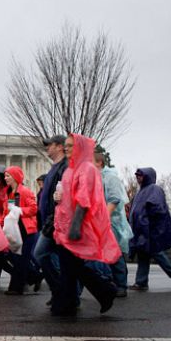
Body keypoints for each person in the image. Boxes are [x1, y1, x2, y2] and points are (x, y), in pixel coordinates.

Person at [51, 133, 119, 316]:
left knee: (71, 266)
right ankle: (97, 294)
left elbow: (84, 199)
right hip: (65, 224)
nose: (66, 148)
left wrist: (75, 225)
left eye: (70, 145)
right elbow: (70, 196)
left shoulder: (87, 168)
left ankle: (70, 302)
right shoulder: (70, 169)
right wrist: (59, 198)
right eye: (65, 145)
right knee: (71, 266)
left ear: (80, 147)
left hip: (76, 225)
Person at [128, 167, 171, 291]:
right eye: (137, 175)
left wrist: (146, 220)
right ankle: (141, 282)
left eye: (140, 175)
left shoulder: (154, 189)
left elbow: (157, 208)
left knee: (155, 252)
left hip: (150, 230)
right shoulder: (139, 192)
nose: (138, 177)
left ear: (147, 176)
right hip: (141, 230)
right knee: (143, 254)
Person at [32, 135, 68, 303]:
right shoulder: (55, 167)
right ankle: (62, 294)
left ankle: (61, 293)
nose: (47, 147)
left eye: (50, 145)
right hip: (49, 220)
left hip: (56, 220)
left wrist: (52, 219)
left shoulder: (64, 167)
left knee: (40, 254)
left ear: (60, 147)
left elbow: (60, 196)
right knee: (63, 261)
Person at [94, 152, 133, 297]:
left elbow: (115, 199)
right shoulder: (98, 178)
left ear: (99, 163)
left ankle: (121, 284)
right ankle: (112, 283)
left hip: (112, 221)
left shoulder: (110, 177)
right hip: (102, 220)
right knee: (105, 253)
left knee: (114, 252)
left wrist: (104, 218)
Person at [2, 166, 42, 294]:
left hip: (27, 230)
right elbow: (6, 212)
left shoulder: (25, 191)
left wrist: (20, 211)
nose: (5, 178)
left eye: (8, 175)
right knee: (15, 258)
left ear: (15, 177)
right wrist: (1, 224)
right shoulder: (9, 193)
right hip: (14, 229)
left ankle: (16, 288)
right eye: (5, 175)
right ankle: (35, 277)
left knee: (21, 260)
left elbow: (34, 209)